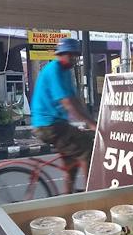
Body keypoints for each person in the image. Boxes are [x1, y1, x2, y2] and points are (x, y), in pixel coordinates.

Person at [31, 38, 97, 193]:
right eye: (70, 55)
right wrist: (91, 124)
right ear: (61, 54)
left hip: (57, 124)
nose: (74, 58)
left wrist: (91, 121)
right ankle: (92, 193)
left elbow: (76, 101)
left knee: (72, 163)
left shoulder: (66, 72)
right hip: (49, 125)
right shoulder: (54, 69)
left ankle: (67, 197)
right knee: (89, 148)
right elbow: (67, 103)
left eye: (75, 55)